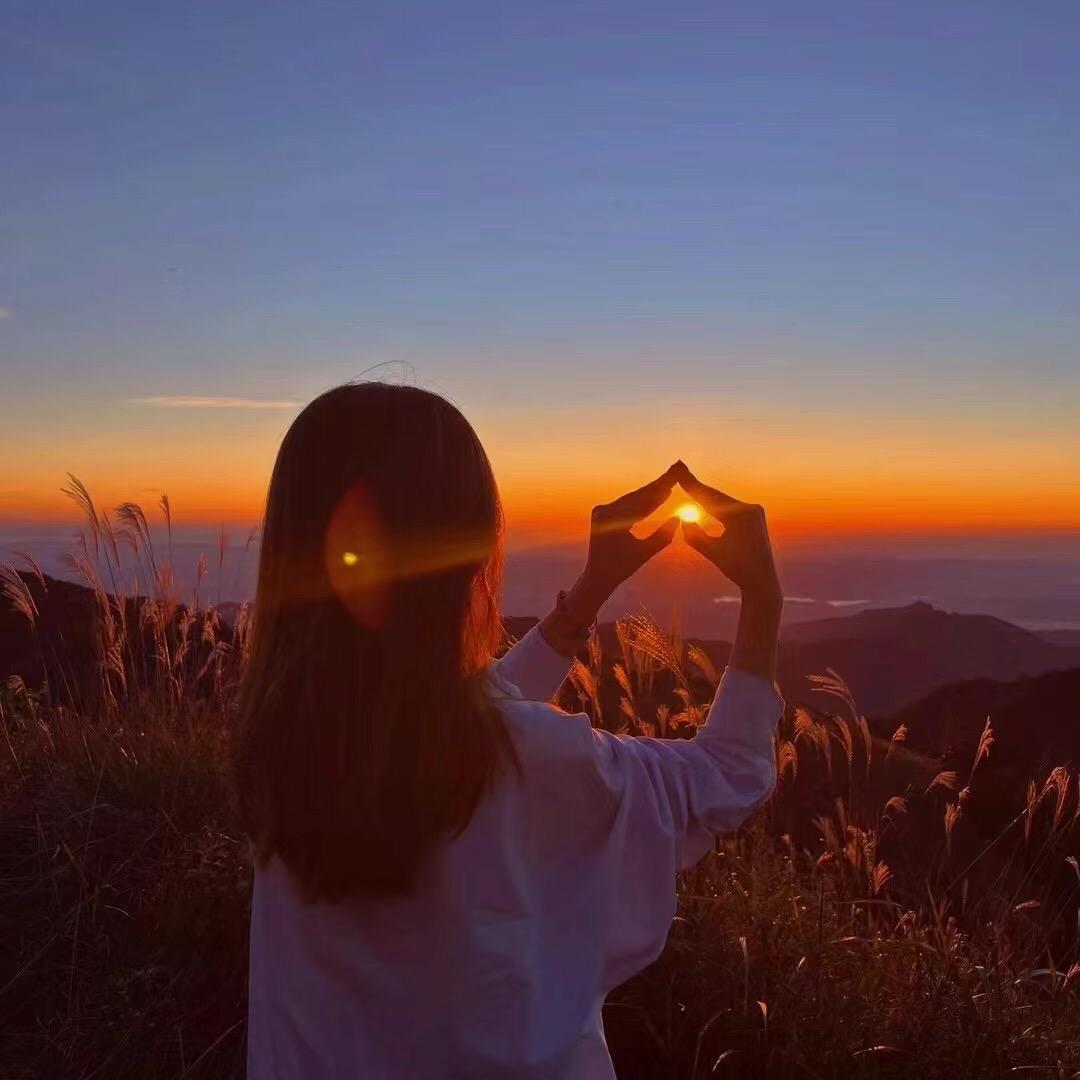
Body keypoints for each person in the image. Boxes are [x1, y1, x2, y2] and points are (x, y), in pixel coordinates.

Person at [236, 382, 784, 1080]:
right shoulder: (528, 762)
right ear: (464, 562)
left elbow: (442, 710)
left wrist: (588, 593)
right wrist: (765, 598)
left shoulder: (291, 750)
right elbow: (732, 773)